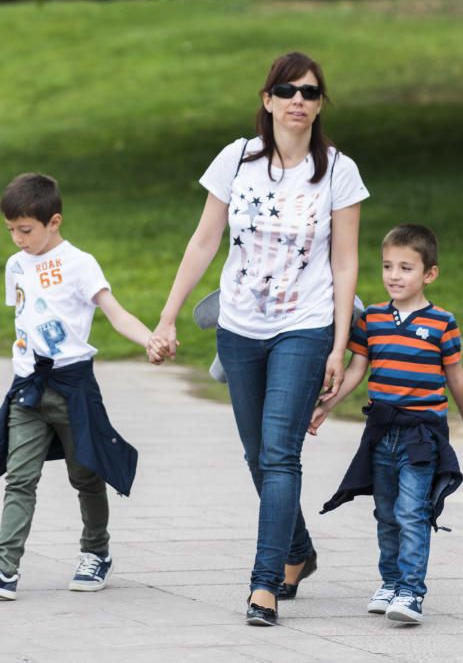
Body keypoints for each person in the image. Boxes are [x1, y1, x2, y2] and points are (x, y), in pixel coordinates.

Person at [152, 51, 369, 626]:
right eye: (288, 89)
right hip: (240, 328)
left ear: (320, 105)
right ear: (267, 99)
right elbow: (203, 243)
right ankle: (297, 550)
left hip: (306, 325)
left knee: (280, 453)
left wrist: (338, 341)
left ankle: (263, 586)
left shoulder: (338, 171)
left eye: (311, 92)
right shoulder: (236, 160)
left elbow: (345, 264)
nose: (299, 100)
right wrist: (168, 317)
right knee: (257, 453)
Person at [0, 173, 166, 600]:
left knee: (85, 475)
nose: (17, 240)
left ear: (55, 221)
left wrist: (150, 340)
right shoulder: (16, 265)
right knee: (19, 478)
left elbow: (115, 314)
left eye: (25, 230)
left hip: (72, 385)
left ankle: (96, 552)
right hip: (27, 387)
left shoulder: (79, 264)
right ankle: (4, 567)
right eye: (10, 230)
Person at [310, 224, 463, 625]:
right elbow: (356, 372)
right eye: (388, 266)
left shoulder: (442, 323)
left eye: (405, 267)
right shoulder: (372, 318)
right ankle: (389, 583)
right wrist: (328, 406)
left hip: (422, 435)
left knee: (412, 513)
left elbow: (456, 377)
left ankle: (411, 592)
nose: (393, 275)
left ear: (429, 274)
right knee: (386, 513)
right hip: (381, 433)